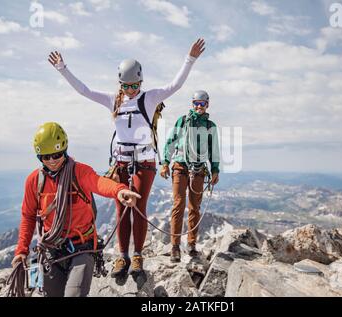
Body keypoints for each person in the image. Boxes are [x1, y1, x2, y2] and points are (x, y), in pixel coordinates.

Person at [47, 39, 206, 276]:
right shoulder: (113, 100)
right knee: (121, 208)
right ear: (120, 84)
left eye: (134, 86)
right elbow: (85, 90)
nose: (130, 90)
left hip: (144, 162)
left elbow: (176, 85)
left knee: (138, 206)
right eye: (126, 86)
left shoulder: (150, 98)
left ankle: (138, 255)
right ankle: (123, 256)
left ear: (141, 82)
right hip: (121, 163)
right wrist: (63, 69)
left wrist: (189, 59)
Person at [11, 122, 140, 297]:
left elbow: (98, 183)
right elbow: (28, 216)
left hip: (82, 247)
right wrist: (21, 251)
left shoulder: (79, 172)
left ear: (64, 150)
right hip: (51, 248)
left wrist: (119, 191)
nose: (51, 161)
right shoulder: (34, 181)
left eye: (56, 155)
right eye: (45, 157)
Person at [160, 90, 220, 263]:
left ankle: (192, 245)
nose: (199, 106)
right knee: (178, 205)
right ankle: (174, 247)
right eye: (196, 103)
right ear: (192, 104)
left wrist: (215, 170)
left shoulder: (210, 127)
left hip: (199, 169)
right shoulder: (183, 121)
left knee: (194, 207)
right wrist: (165, 162)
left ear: (207, 105)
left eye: (202, 104)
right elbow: (171, 142)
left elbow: (214, 149)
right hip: (180, 166)